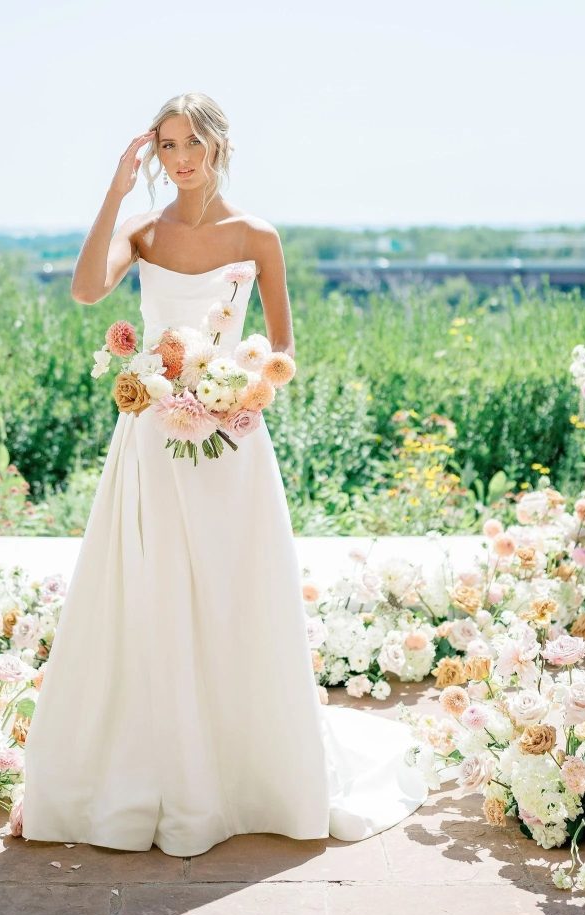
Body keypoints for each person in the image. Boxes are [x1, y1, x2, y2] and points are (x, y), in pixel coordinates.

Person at [21, 92, 427, 857]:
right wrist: (115, 190)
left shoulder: (257, 235)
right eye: (167, 146)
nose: (180, 159)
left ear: (219, 146)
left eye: (192, 144)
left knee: (234, 592)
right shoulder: (143, 230)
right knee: (151, 592)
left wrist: (234, 388)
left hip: (232, 439)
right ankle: (158, 767)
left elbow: (282, 351)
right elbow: (85, 289)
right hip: (150, 436)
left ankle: (248, 772)